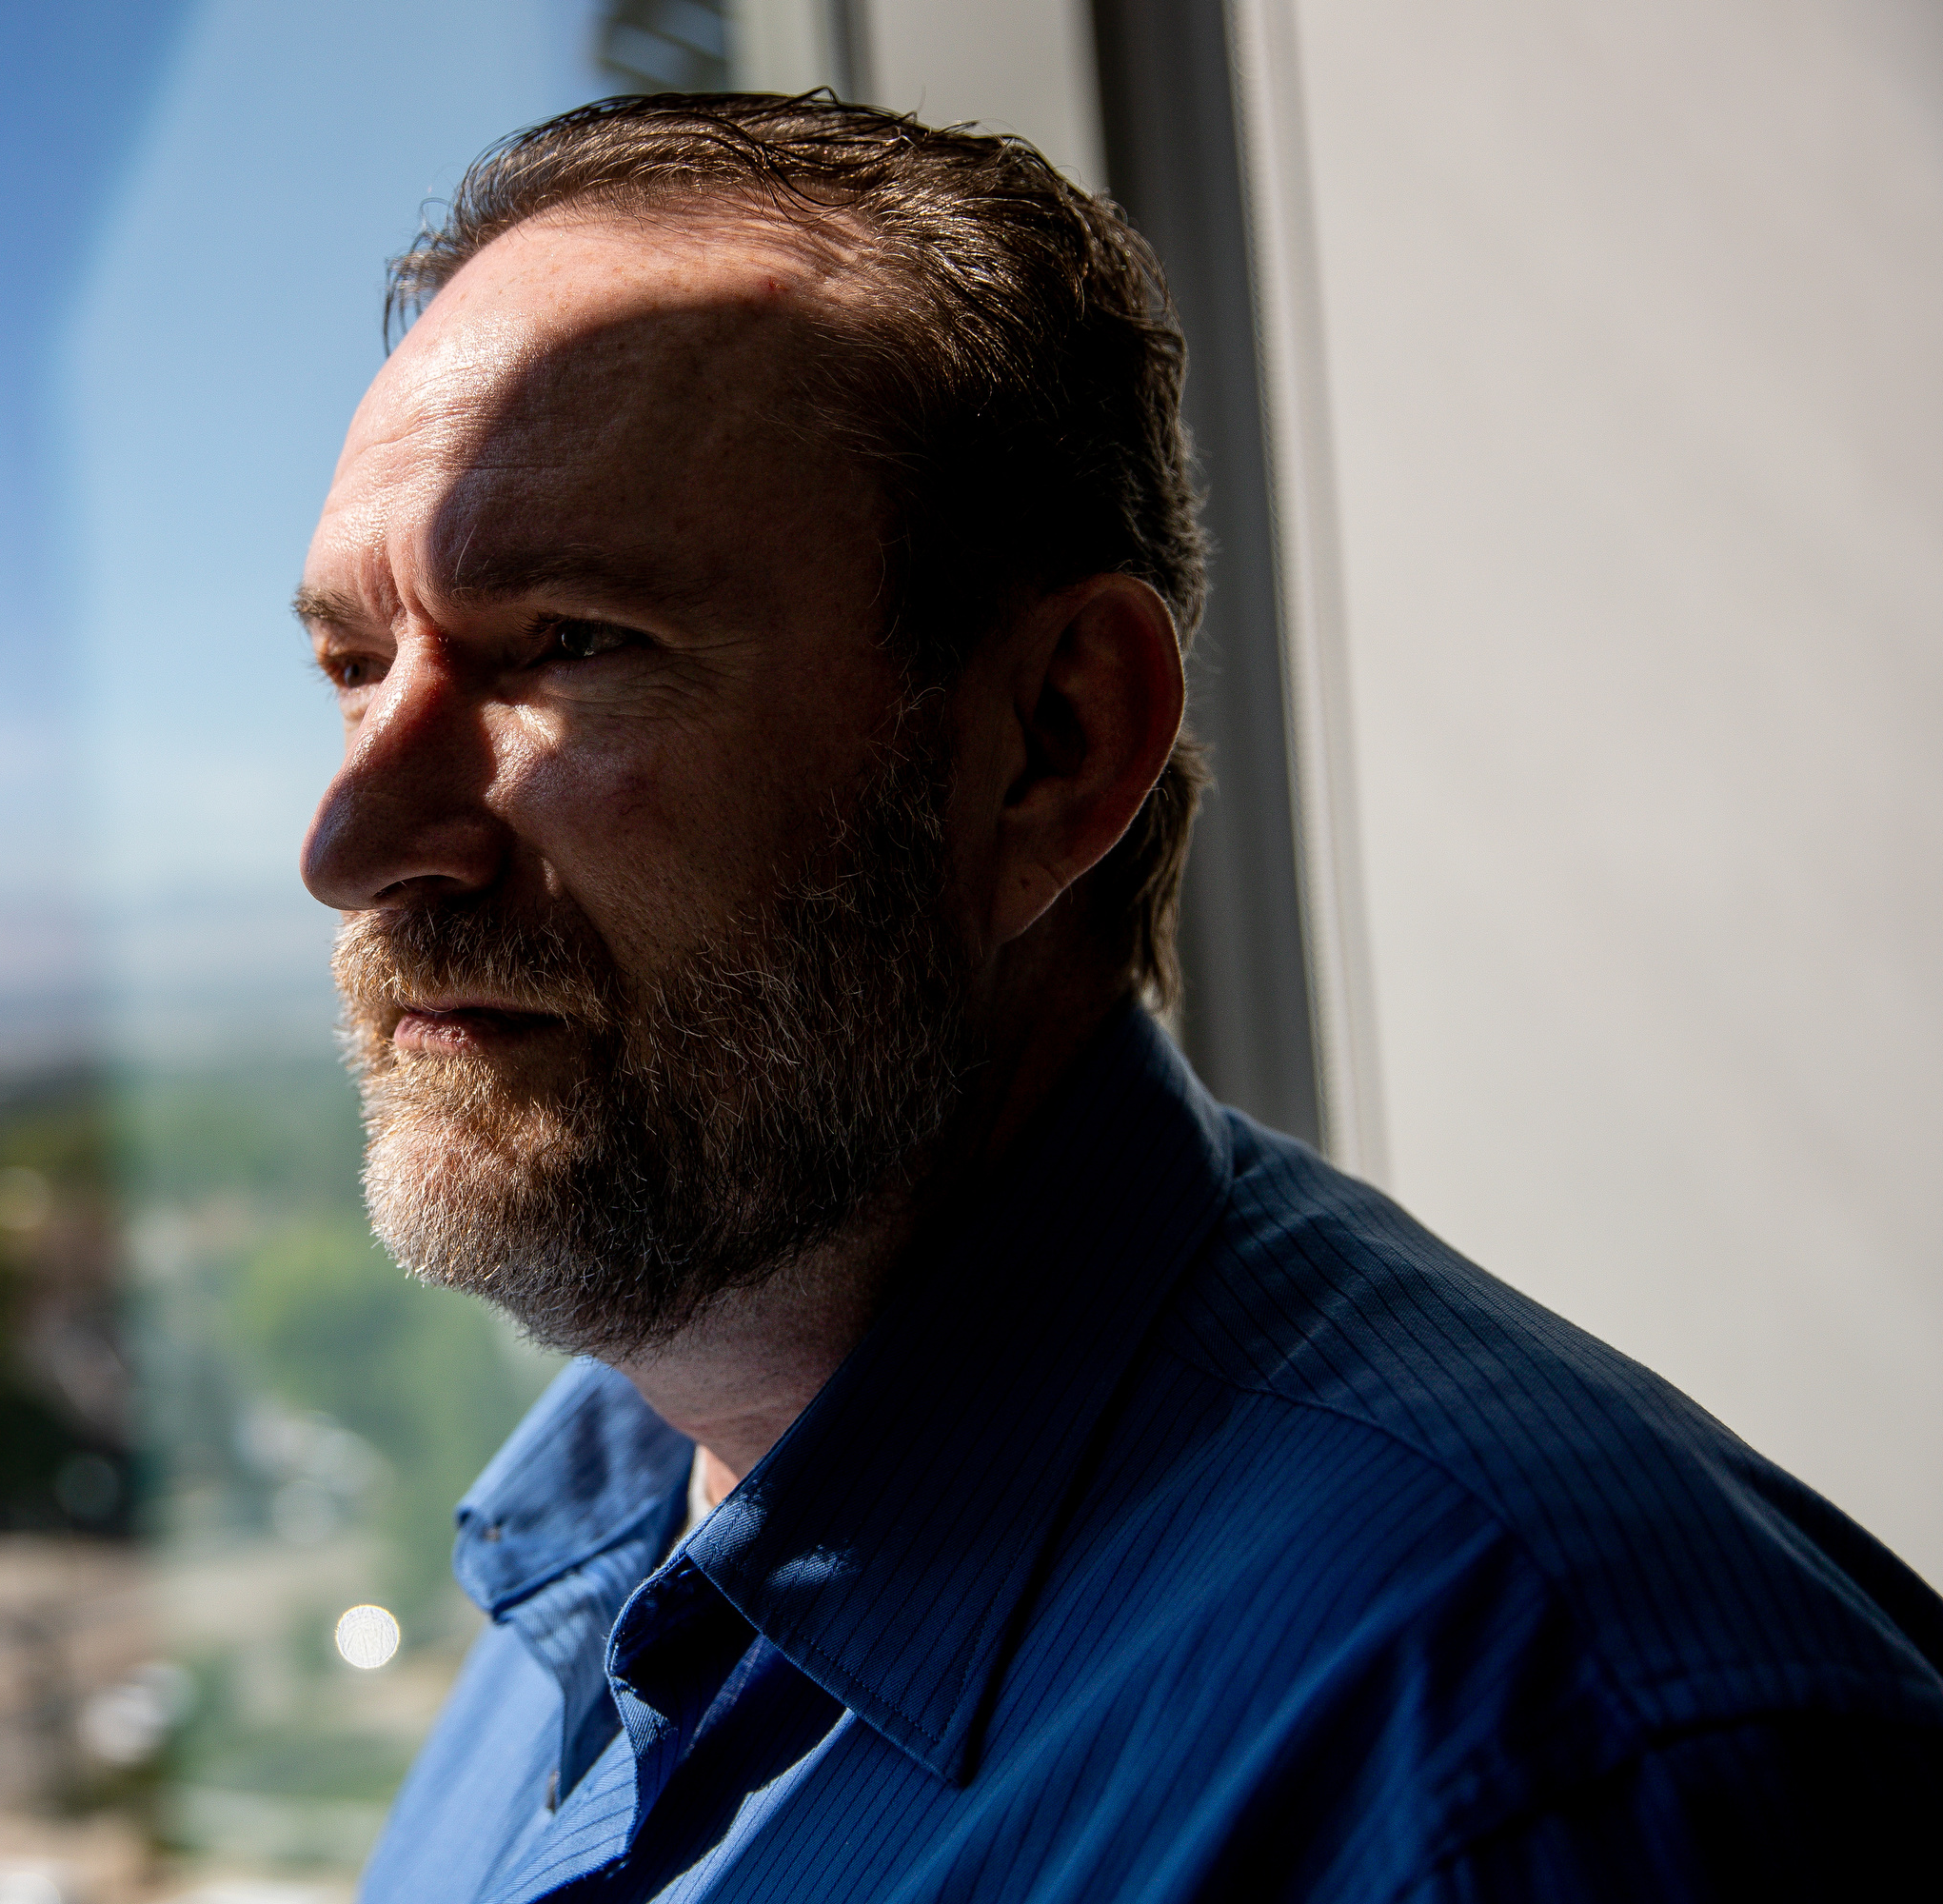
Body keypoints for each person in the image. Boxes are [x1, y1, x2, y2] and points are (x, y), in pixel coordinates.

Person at [293, 93, 1943, 1901]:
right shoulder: (593, 1569)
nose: (359, 834)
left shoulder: (1545, 1768)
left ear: (1055, 746)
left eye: (570, 647)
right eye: (357, 667)